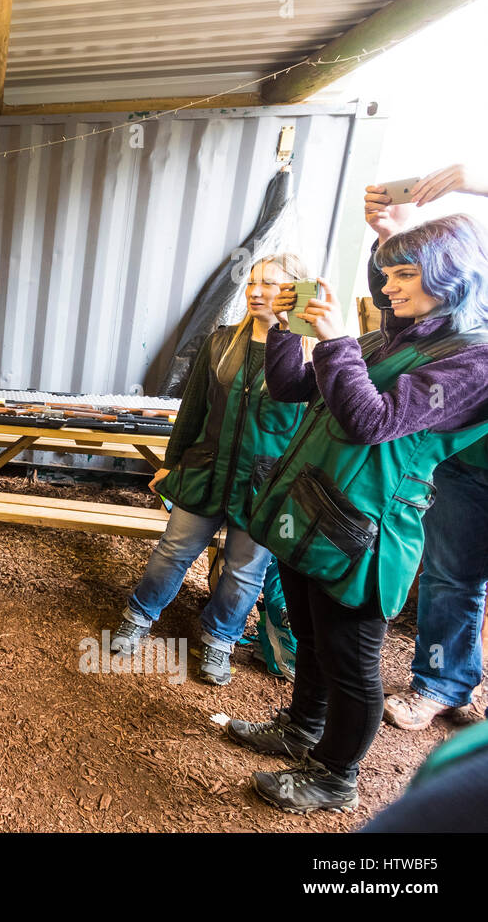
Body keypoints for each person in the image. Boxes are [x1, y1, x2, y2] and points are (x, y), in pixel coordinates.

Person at [228, 213, 488, 814]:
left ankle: (334, 776)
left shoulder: (471, 360)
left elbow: (372, 422)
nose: (389, 287)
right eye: (387, 273)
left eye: (403, 274)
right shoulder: (394, 337)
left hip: (365, 531)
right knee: (313, 639)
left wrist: (339, 339)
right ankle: (301, 728)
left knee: (351, 662)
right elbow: (294, 386)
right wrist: (283, 328)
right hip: (313, 506)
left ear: (450, 276)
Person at [108, 256, 311, 684]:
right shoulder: (221, 343)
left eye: (270, 284)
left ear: (296, 291)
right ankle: (139, 617)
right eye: (252, 282)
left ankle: (220, 640)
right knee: (174, 550)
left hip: (265, 485)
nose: (255, 291)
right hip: (205, 471)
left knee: (245, 569)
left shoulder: (310, 358)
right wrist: (170, 465)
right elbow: (192, 411)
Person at [364, 165, 488, 731]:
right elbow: (401, 313)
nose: (392, 285)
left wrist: (474, 179)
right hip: (468, 465)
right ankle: (442, 682)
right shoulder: (456, 318)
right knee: (452, 575)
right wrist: (390, 236)